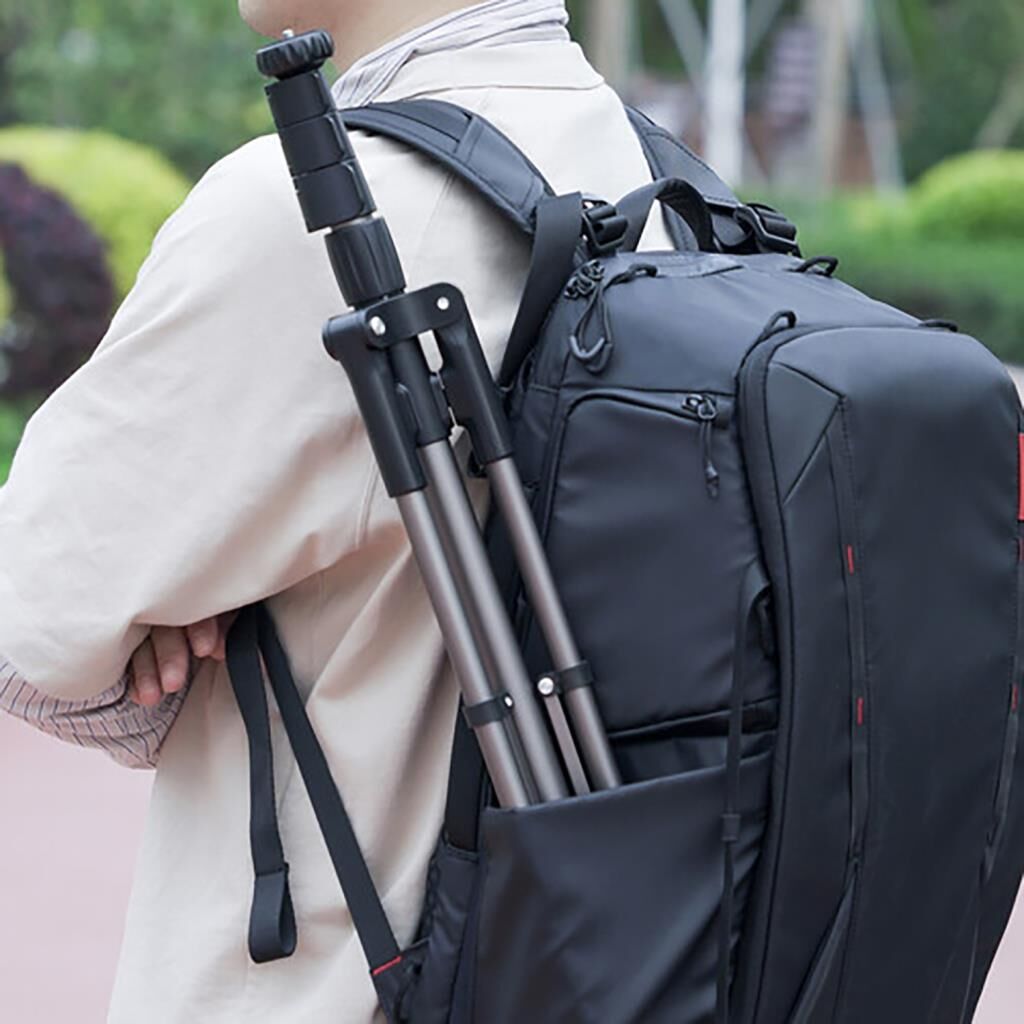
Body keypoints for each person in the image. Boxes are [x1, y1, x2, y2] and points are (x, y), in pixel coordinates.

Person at [0, 0, 670, 1020]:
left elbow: (31, 627)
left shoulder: (304, 211)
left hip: (328, 984)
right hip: (595, 965)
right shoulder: (681, 194)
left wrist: (182, 615)